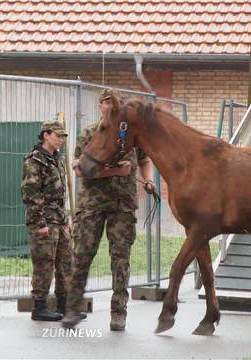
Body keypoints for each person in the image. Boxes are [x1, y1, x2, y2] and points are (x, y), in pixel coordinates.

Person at [62, 89, 155, 331]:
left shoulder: (129, 135)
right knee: (81, 255)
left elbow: (145, 160)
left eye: (114, 104)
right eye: (105, 103)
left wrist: (148, 180)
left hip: (122, 206)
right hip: (92, 205)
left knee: (120, 260)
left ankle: (118, 313)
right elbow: (81, 170)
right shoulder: (90, 134)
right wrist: (116, 172)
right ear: (99, 107)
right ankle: (72, 309)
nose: (109, 107)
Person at [21, 121, 76, 321]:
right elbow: (30, 194)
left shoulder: (57, 159)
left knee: (65, 263)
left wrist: (65, 220)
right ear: (46, 135)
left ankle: (63, 306)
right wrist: (40, 223)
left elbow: (61, 195)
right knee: (44, 263)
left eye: (62, 136)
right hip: (44, 220)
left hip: (59, 220)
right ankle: (40, 307)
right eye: (58, 135)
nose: (60, 140)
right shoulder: (35, 161)